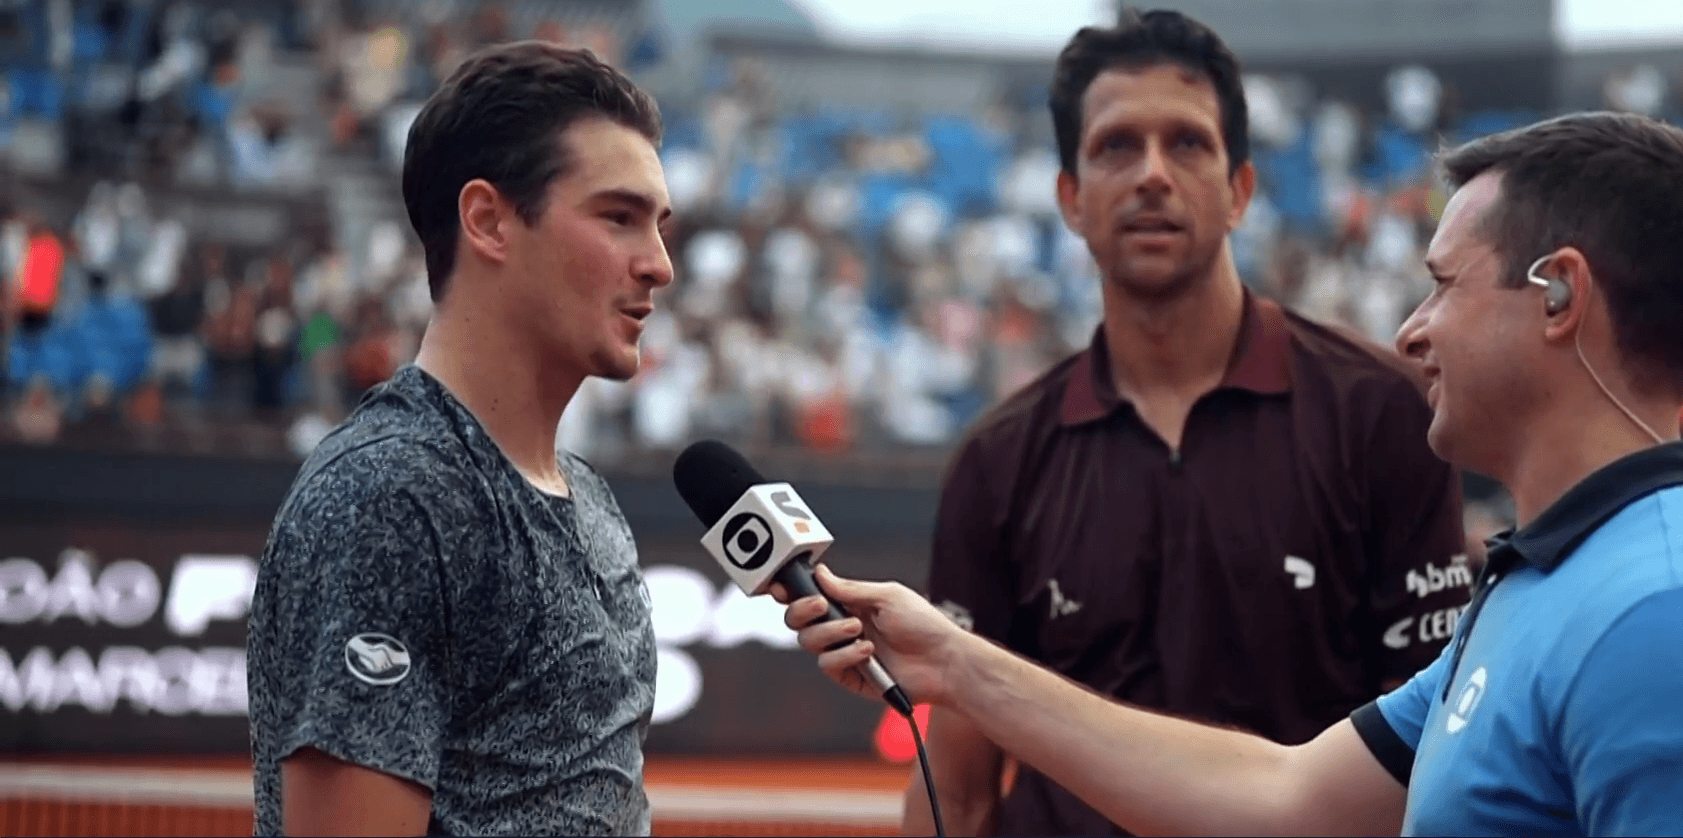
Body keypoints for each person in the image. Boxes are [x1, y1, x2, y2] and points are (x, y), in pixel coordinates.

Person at [783, 110, 1683, 836]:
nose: (1413, 330)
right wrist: (952, 662)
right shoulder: (1544, 589)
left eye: (1443, 283)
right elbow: (1285, 799)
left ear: (1559, 293)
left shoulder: (1655, 610)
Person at [906, 9, 1469, 835]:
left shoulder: (1380, 412)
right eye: (1114, 147)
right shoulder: (996, 459)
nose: (1151, 176)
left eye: (1187, 143)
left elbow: (1430, 765)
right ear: (1068, 197)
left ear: (1239, 189)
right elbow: (954, 788)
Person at [247, 42, 674, 836]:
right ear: (487, 221)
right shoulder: (390, 498)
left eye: (659, 225)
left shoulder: (592, 500)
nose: (658, 264)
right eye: (618, 217)